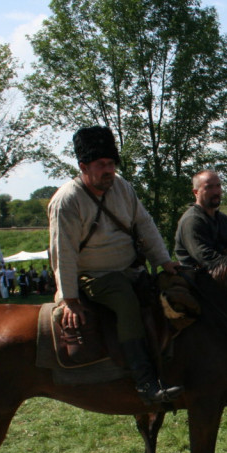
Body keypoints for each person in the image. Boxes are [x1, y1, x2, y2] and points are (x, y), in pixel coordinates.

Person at [48, 125, 182, 405]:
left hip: (131, 269)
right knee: (125, 300)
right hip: (94, 276)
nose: (109, 170)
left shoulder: (122, 187)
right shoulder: (67, 200)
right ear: (83, 167)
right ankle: (145, 382)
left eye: (111, 163)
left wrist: (164, 261)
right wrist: (69, 299)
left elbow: (145, 225)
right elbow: (63, 253)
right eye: (101, 165)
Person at [174, 170, 227, 269]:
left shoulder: (224, 220)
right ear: (196, 192)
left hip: (225, 274)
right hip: (197, 277)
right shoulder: (192, 220)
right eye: (209, 187)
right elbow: (206, 259)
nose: (216, 192)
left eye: (218, 186)